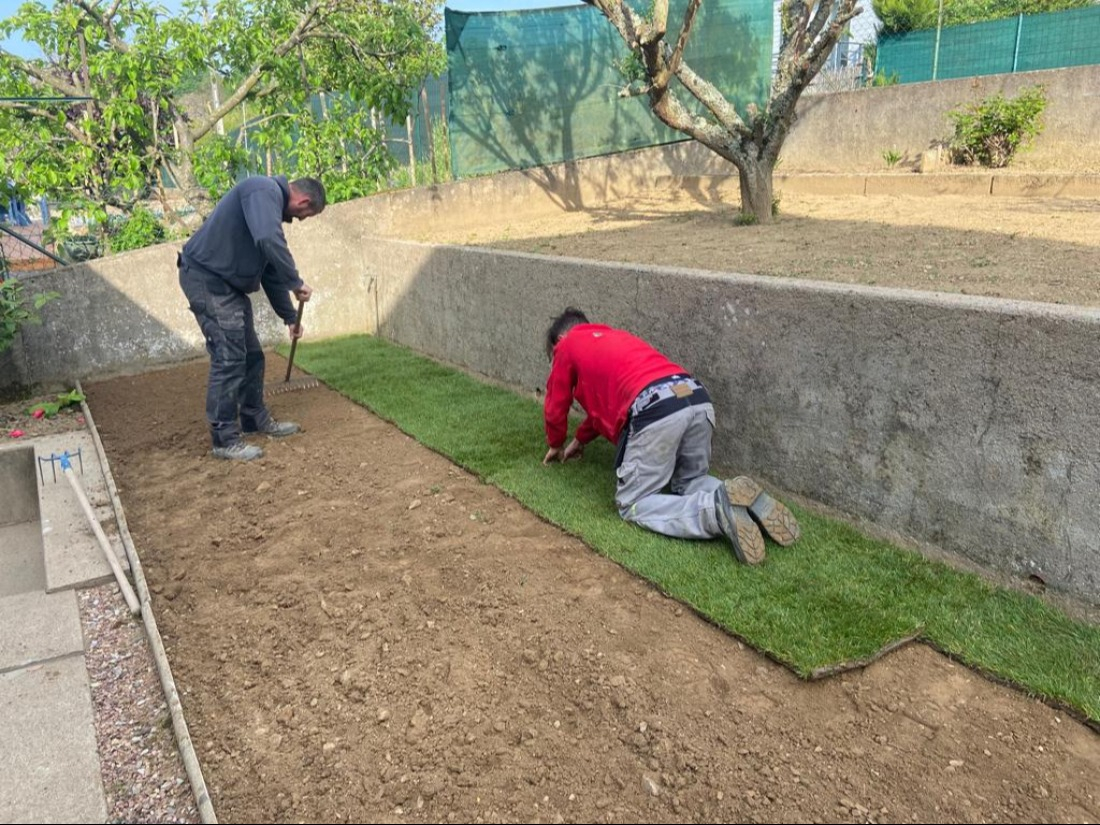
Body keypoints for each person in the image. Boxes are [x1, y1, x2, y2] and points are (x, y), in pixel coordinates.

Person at [541, 308, 799, 564]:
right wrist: (580, 440)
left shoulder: (567, 346)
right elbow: (602, 412)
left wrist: (556, 443)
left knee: (633, 504)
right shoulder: (613, 339)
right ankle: (745, 500)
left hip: (655, 408)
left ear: (559, 342)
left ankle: (715, 513)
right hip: (695, 397)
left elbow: (555, 405)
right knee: (689, 481)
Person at [178, 175, 325, 461]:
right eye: (307, 215)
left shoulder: (266, 207)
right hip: (207, 280)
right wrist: (296, 281)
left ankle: (253, 417)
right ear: (304, 201)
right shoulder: (263, 190)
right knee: (229, 357)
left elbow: (270, 270)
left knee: (252, 355)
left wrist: (289, 317)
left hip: (227, 287)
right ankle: (224, 439)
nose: (302, 220)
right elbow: (269, 239)